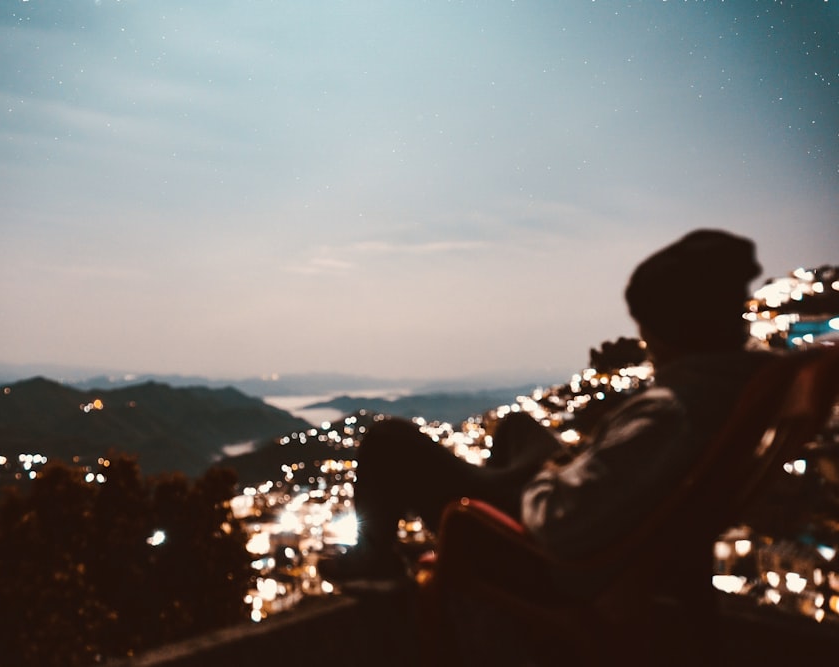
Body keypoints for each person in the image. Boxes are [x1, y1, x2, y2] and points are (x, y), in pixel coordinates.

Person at [320, 228, 775, 581]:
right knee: (517, 424)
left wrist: (551, 474)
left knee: (388, 440)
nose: (643, 338)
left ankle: (372, 558)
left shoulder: (671, 412)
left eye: (646, 325)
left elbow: (559, 524)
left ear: (673, 326)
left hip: (538, 551)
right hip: (577, 518)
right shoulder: (732, 384)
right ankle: (498, 479)